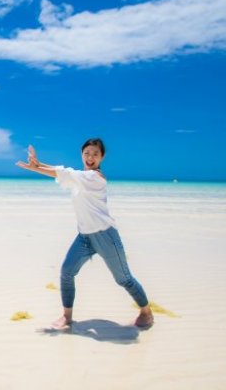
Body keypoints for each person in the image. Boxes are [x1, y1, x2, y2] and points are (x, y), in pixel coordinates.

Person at [16, 139, 154, 329]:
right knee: (66, 272)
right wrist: (38, 164)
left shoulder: (95, 178)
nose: (90, 158)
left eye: (95, 154)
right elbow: (64, 172)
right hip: (84, 237)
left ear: (101, 157)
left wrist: (35, 168)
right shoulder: (80, 177)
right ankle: (67, 316)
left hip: (105, 236)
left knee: (124, 279)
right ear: (82, 154)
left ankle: (146, 313)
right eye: (87, 153)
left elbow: (64, 173)